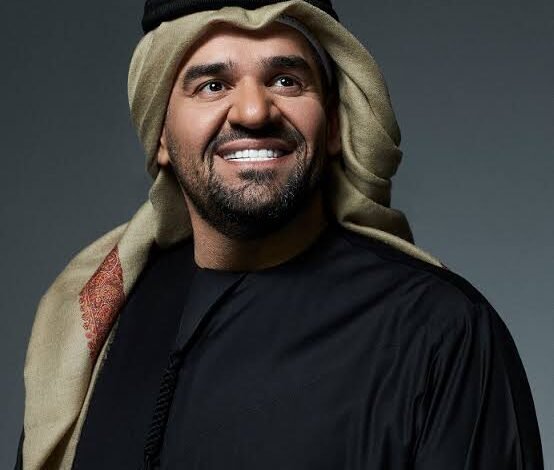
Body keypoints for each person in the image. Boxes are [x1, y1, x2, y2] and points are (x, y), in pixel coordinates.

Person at [17, 0, 543, 469]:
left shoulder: (441, 333)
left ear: (333, 125)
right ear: (159, 135)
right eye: (212, 85)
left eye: (287, 81)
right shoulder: (98, 326)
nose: (253, 111)